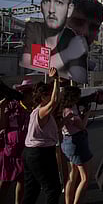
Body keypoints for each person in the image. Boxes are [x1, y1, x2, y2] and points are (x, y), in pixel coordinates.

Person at [20, 0, 88, 83]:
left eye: (59, 2)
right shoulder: (35, 30)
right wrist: (68, 53)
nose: (51, 10)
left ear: (69, 9)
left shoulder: (71, 37)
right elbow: (29, 61)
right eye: (47, 1)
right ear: (42, 6)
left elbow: (78, 76)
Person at [23, 68, 61, 204]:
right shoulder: (42, 111)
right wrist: (56, 79)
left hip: (31, 153)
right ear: (43, 97)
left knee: (32, 189)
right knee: (52, 189)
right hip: (41, 153)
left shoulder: (36, 111)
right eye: (48, 94)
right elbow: (55, 101)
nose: (51, 96)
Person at [0, 80, 33, 204]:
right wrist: (2, 107)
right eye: (25, 92)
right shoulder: (11, 106)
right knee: (5, 181)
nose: (29, 95)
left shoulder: (33, 108)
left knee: (22, 180)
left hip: (24, 150)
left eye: (29, 92)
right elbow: (2, 125)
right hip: (10, 149)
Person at [59, 85, 93, 204]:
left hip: (66, 141)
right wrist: (87, 114)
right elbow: (82, 126)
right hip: (76, 142)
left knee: (71, 176)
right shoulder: (71, 112)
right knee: (84, 178)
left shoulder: (63, 108)